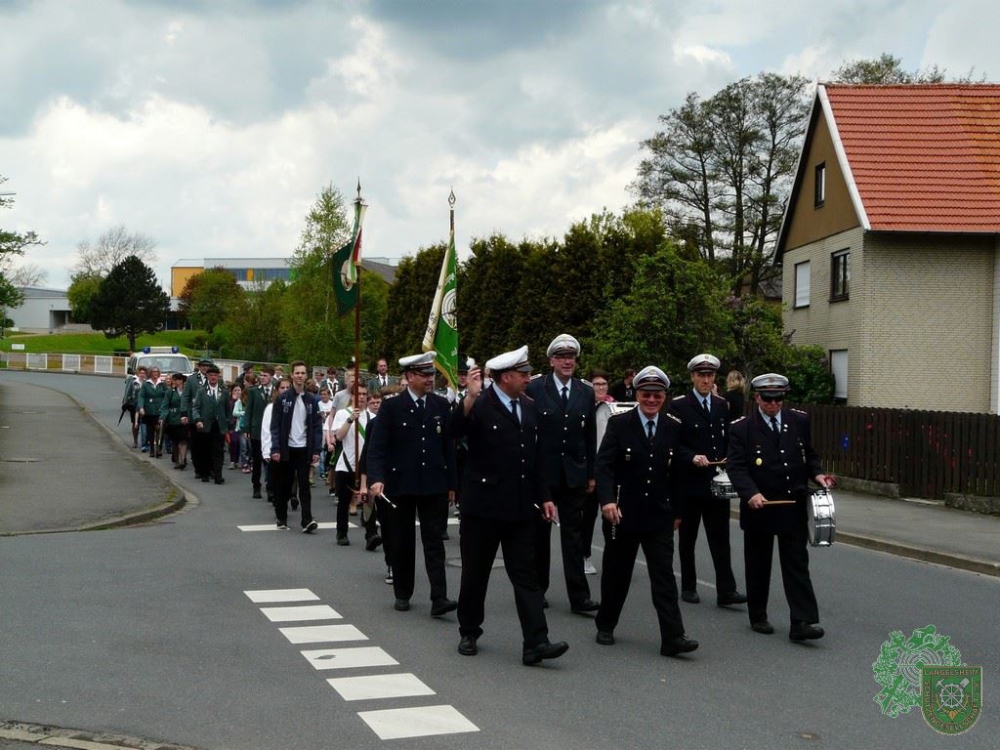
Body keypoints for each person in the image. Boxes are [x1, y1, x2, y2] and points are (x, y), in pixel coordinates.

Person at [451, 345, 569, 666]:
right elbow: (452, 432)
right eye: (523, 374)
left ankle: (536, 642)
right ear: (506, 378)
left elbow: (536, 459)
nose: (529, 379)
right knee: (476, 573)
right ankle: (469, 630)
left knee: (526, 576)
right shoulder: (480, 404)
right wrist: (469, 398)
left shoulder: (529, 407)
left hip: (519, 508)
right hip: (483, 508)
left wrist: (544, 496)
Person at [594, 366, 699, 657]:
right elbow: (604, 466)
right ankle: (606, 623)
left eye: (657, 395)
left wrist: (678, 511)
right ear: (637, 395)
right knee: (617, 575)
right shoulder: (619, 424)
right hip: (623, 515)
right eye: (646, 395)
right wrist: (607, 502)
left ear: (664, 397)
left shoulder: (673, 427)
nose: (651, 400)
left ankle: (673, 637)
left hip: (659, 516)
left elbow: (678, 474)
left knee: (664, 578)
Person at [726, 373, 835, 641]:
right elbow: (736, 467)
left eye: (778, 399)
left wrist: (818, 474)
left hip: (792, 504)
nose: (774, 404)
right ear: (757, 398)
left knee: (797, 564)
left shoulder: (798, 420)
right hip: (761, 505)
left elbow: (808, 454)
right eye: (768, 399)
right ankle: (758, 614)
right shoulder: (742, 428)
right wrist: (750, 493)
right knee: (758, 564)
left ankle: (802, 622)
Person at [366, 351, 457, 617]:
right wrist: (376, 479)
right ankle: (403, 592)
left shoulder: (441, 406)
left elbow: (447, 449)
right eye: (424, 375)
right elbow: (377, 448)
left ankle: (439, 597)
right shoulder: (392, 407)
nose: (430, 379)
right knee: (402, 540)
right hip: (400, 485)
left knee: (434, 543)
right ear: (409, 377)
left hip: (433, 485)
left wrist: (452, 484)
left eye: (432, 374)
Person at [526, 333, 599, 614]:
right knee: (539, 536)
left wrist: (590, 473)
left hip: (574, 474)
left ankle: (579, 596)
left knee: (574, 537)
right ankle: (537, 589)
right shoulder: (535, 388)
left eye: (571, 357)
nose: (567, 362)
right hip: (543, 474)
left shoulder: (585, 391)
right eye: (561, 357)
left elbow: (589, 435)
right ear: (551, 361)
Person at [668, 354, 746, 607]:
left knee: (721, 539)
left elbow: (729, 439)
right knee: (688, 539)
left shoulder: (722, 405)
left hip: (716, 482)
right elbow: (673, 444)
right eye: (701, 375)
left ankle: (726, 590)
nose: (705, 379)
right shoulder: (679, 406)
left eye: (709, 375)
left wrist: (728, 461)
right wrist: (692, 457)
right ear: (692, 377)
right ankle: (688, 586)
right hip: (690, 483)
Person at [270, 361, 323, 533]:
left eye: (303, 373)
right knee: (284, 486)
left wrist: (316, 450)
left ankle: (307, 519)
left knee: (304, 486)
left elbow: (316, 427)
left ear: (306, 376)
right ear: (292, 375)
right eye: (297, 373)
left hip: (303, 449)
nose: (300, 376)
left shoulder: (311, 401)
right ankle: (281, 516)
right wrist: (276, 448)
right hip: (287, 449)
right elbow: (275, 426)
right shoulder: (283, 399)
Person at [331, 382, 377, 547]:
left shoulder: (372, 417)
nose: (362, 397)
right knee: (344, 501)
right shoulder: (343, 414)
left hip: (366, 467)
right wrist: (350, 420)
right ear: (352, 396)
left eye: (365, 394)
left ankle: (371, 535)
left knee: (368, 500)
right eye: (359, 394)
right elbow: (339, 437)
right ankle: (341, 532)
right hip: (346, 465)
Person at [192, 364, 229, 484]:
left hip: (219, 425)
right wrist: (198, 420)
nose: (213, 377)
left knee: (218, 450)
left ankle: (218, 475)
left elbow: (227, 409)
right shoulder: (202, 391)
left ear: (218, 377)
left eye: (215, 375)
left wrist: (229, 425)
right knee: (205, 450)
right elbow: (196, 408)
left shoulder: (224, 392)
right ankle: (205, 473)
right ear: (207, 376)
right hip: (206, 424)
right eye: (211, 375)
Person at [243, 365, 275, 500]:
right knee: (257, 460)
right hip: (257, 429)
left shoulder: (276, 391)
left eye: (265, 375)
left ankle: (270, 488)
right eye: (261, 375)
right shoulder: (254, 391)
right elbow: (248, 410)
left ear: (271, 377)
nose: (262, 378)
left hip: (272, 431)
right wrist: (247, 428)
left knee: (271, 461)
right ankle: (256, 486)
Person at [181, 358, 212, 480]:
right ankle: (198, 468)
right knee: (196, 444)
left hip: (209, 417)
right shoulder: (192, 379)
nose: (205, 368)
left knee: (209, 444)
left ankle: (209, 468)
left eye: (207, 366)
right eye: (203, 366)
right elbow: (185, 397)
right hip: (195, 416)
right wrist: (184, 413)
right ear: (199, 367)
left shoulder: (213, 378)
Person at [159, 372, 188, 469]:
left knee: (184, 440)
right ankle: (176, 460)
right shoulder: (170, 392)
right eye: (174, 380)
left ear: (182, 380)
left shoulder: (187, 392)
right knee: (175, 442)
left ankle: (182, 460)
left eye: (178, 380)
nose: (176, 382)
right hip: (173, 419)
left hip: (185, 419)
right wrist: (162, 417)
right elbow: (164, 405)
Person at [137, 366, 167, 457]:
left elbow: (167, 395)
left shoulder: (162, 384)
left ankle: (158, 448)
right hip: (149, 410)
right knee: (150, 431)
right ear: (150, 373)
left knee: (159, 429)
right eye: (153, 372)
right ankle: (152, 449)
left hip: (159, 410)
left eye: (157, 371)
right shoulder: (146, 384)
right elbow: (141, 396)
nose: (155, 373)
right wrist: (141, 407)